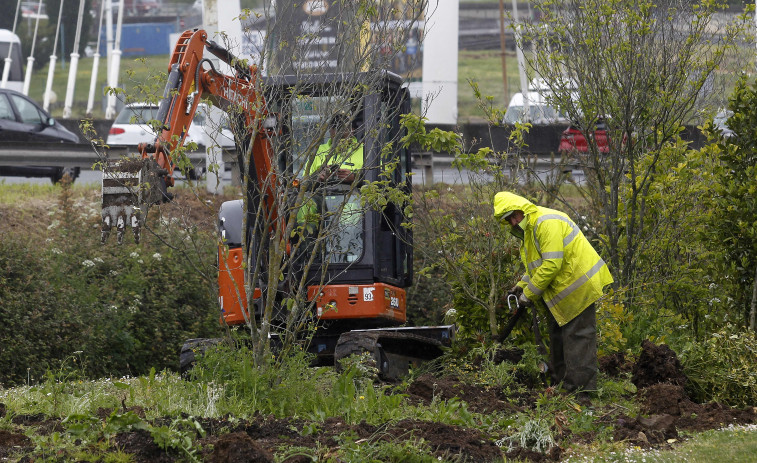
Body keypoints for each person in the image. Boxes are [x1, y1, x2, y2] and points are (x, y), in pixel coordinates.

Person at [493, 191, 613, 396]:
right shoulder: (530, 231)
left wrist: (528, 294)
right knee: (558, 339)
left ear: (523, 209)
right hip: (561, 294)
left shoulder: (545, 223)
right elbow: (537, 267)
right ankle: (561, 387)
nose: (513, 222)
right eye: (509, 220)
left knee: (578, 340)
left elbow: (551, 265)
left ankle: (581, 394)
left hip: (579, 288)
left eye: (514, 216)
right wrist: (522, 285)